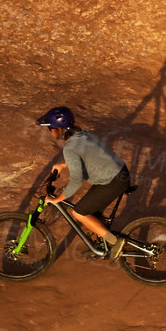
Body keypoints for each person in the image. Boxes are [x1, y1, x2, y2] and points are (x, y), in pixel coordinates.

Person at [35, 107, 131, 260]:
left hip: (112, 181)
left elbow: (76, 181)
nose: (51, 132)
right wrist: (63, 166)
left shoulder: (69, 149)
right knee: (90, 209)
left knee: (79, 212)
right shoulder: (83, 134)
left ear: (58, 129)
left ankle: (115, 242)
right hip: (120, 172)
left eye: (51, 129)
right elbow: (87, 156)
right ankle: (101, 245)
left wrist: (56, 200)